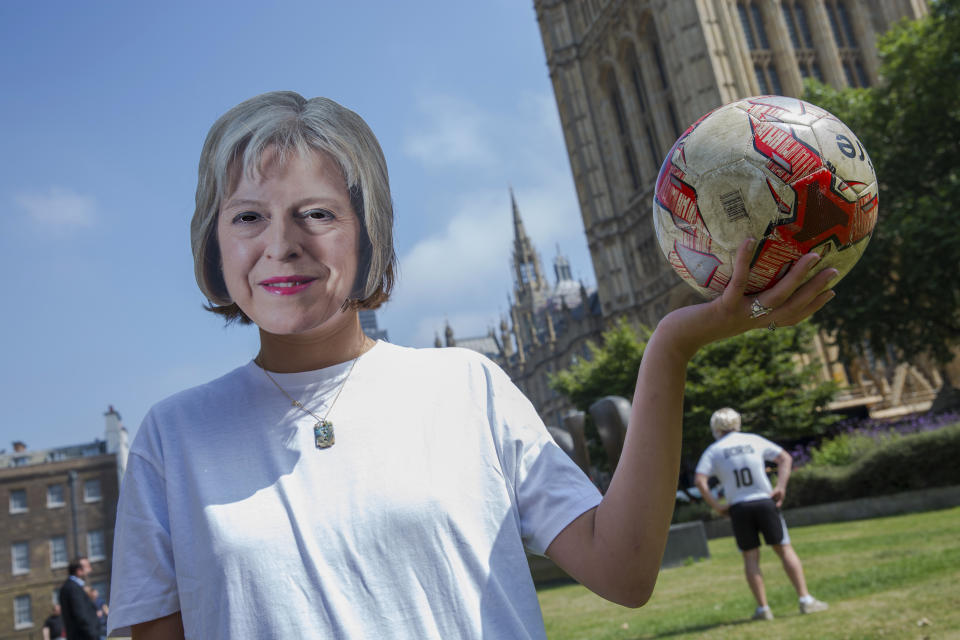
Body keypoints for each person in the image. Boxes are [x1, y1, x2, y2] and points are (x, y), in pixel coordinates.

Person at [107, 91, 837, 639]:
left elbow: (624, 569)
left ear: (370, 234)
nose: (283, 242)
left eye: (318, 213)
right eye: (248, 216)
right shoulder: (172, 439)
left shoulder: (467, 383)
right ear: (215, 244)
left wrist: (671, 345)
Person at [694, 407, 829, 620]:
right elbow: (785, 458)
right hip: (764, 502)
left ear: (715, 428)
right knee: (784, 549)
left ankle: (763, 608)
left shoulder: (714, 450)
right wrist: (781, 487)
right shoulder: (753, 440)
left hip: (739, 507)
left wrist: (717, 506)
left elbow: (700, 480)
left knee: (750, 556)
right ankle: (805, 599)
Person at [59, 558, 100, 640]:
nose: (90, 570)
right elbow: (80, 615)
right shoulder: (73, 588)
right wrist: (93, 634)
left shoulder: (73, 587)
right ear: (79, 571)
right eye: (88, 567)